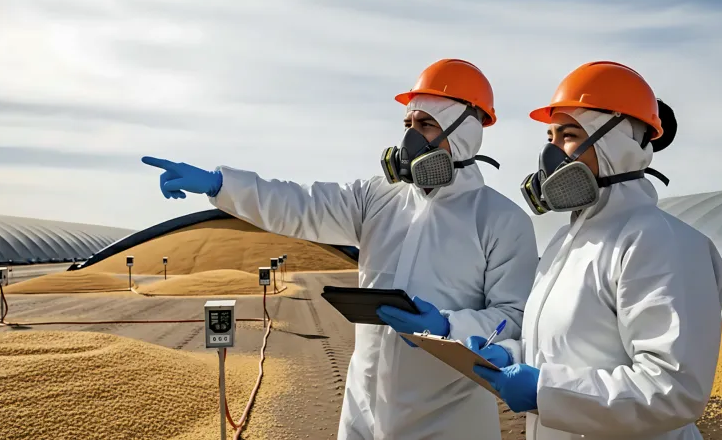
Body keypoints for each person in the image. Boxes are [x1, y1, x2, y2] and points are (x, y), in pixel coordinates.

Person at [141, 59, 539, 440]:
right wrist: (221, 185)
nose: (409, 138)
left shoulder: (501, 220)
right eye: (408, 123)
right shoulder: (377, 197)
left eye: (426, 124)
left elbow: (514, 318)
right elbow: (300, 205)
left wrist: (448, 328)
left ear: (464, 132)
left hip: (448, 418)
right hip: (363, 407)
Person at [465, 61, 722, 439]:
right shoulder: (564, 242)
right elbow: (564, 352)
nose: (550, 153)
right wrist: (511, 355)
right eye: (550, 137)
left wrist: (543, 391)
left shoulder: (660, 242)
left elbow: (672, 389)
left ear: (615, 144)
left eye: (568, 136)